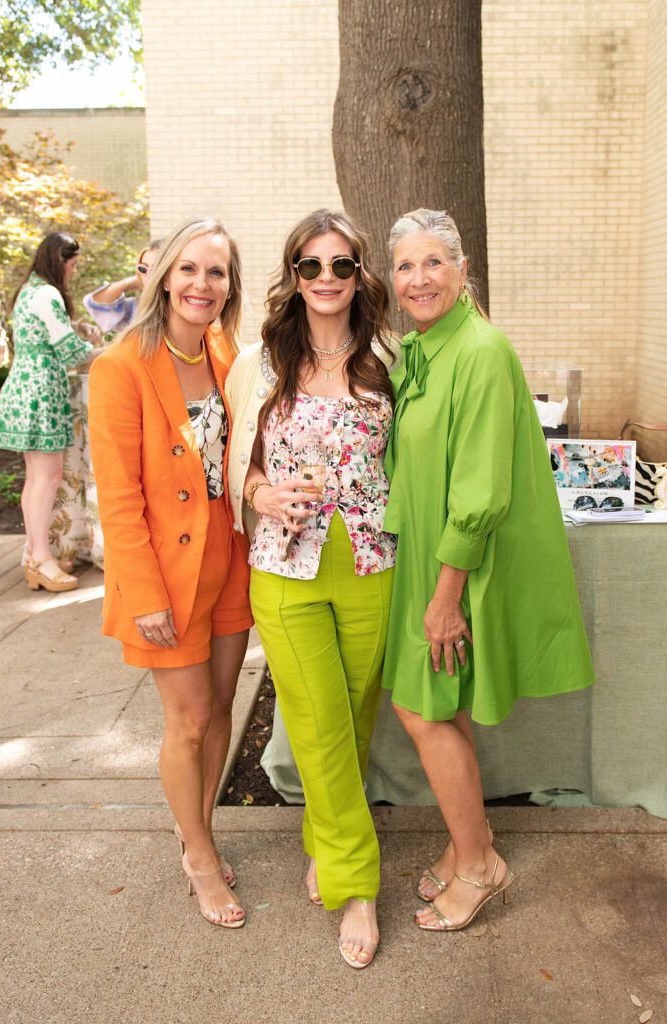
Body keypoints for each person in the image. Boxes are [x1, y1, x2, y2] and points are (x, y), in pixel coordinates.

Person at [383, 208, 594, 932]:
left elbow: (479, 491)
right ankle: (466, 841)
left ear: (462, 269)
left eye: (433, 262)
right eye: (405, 265)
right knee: (441, 704)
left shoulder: (477, 350)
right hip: (425, 555)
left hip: (458, 566)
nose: (419, 278)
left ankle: (479, 868)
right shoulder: (423, 348)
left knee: (422, 707)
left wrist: (446, 597)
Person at [226, 209, 396, 969]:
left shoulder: (392, 354)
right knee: (319, 721)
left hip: (372, 564)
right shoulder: (260, 359)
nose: (325, 279)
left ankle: (327, 839)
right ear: (291, 275)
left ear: (360, 274)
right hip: (284, 566)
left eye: (341, 265)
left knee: (353, 717)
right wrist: (260, 495)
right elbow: (236, 460)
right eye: (310, 265)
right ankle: (356, 884)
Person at [88, 217, 253, 929]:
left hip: (229, 557)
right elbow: (117, 494)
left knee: (221, 709)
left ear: (228, 286)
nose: (201, 284)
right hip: (164, 569)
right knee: (186, 720)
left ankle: (201, 829)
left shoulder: (226, 351)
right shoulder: (121, 365)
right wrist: (143, 592)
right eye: (188, 269)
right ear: (161, 277)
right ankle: (197, 856)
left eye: (215, 272)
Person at [0, 231, 103, 592]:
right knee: (47, 478)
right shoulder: (48, 292)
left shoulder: (29, 290)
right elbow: (72, 353)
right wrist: (115, 357)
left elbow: (46, 333)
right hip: (41, 391)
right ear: (60, 260)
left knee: (36, 478)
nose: (72, 273)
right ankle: (42, 559)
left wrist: (78, 329)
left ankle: (33, 553)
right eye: (72, 266)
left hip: (24, 387)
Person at [82, 240, 162, 334]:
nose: (148, 274)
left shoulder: (179, 305)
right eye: (143, 268)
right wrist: (132, 282)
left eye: (155, 268)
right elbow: (95, 303)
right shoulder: (136, 306)